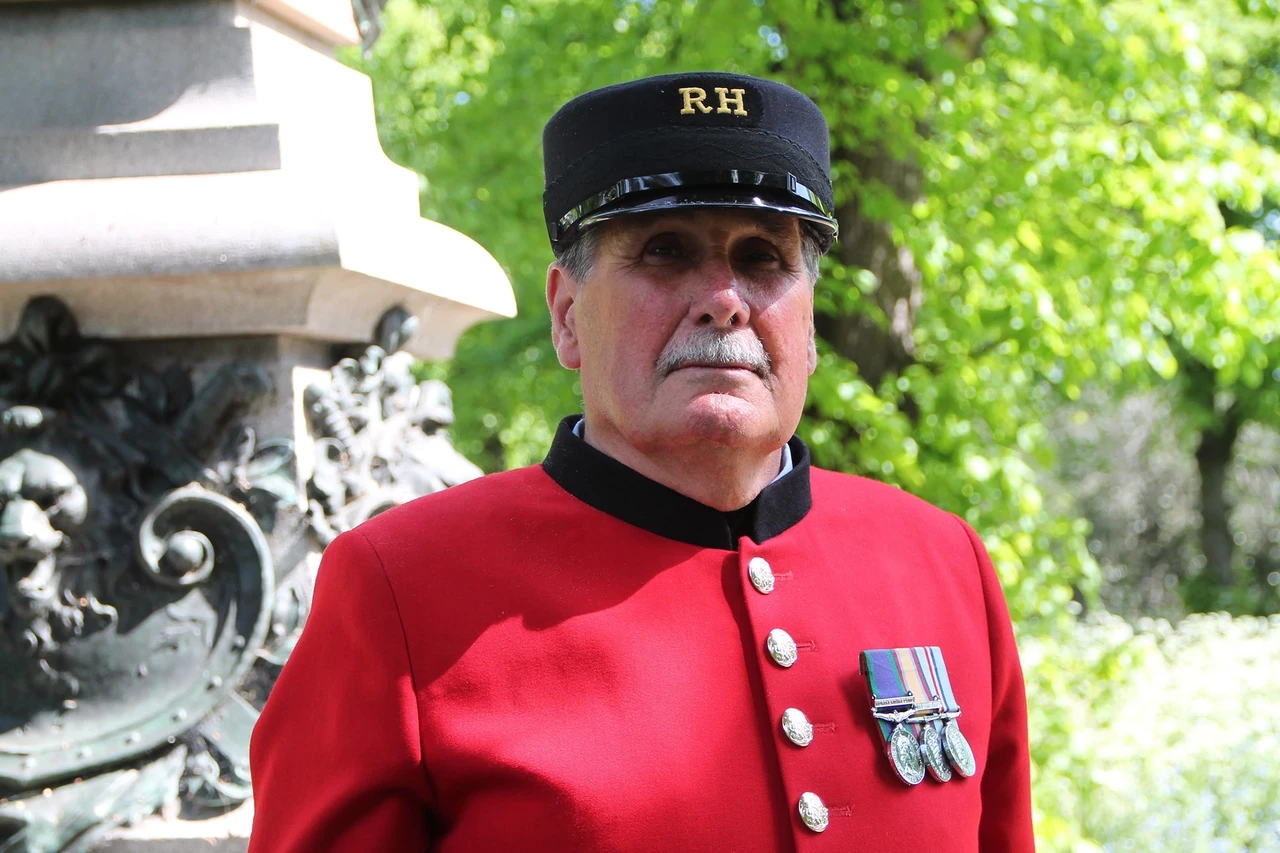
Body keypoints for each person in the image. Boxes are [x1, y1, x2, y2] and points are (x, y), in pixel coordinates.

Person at [248, 72, 1034, 852]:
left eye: (764, 259)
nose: (724, 299)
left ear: (811, 326)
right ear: (566, 316)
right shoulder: (402, 590)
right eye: (665, 252)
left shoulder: (943, 563)